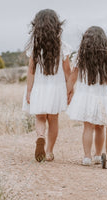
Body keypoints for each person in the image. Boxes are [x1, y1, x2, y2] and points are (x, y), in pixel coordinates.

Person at [66, 26, 107, 166]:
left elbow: (72, 78)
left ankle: (86, 157)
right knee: (100, 127)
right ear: (104, 42)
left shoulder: (80, 58)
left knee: (88, 127)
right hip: (102, 97)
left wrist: (67, 92)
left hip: (85, 97)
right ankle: (97, 155)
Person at [22, 9, 71, 162]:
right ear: (57, 26)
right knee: (53, 119)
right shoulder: (63, 46)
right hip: (57, 88)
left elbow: (31, 71)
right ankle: (49, 151)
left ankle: (40, 136)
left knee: (40, 116)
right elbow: (67, 70)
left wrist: (29, 91)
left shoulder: (34, 47)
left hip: (39, 86)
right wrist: (70, 89)